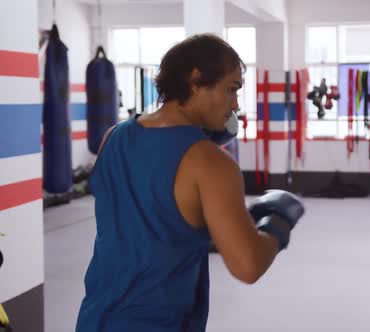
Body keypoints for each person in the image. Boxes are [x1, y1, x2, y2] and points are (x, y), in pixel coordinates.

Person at [76, 34, 305, 332]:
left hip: (96, 317)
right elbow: (247, 265)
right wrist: (278, 224)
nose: (235, 103)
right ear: (196, 80)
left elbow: (151, 213)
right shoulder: (211, 164)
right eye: (231, 89)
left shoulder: (113, 137)